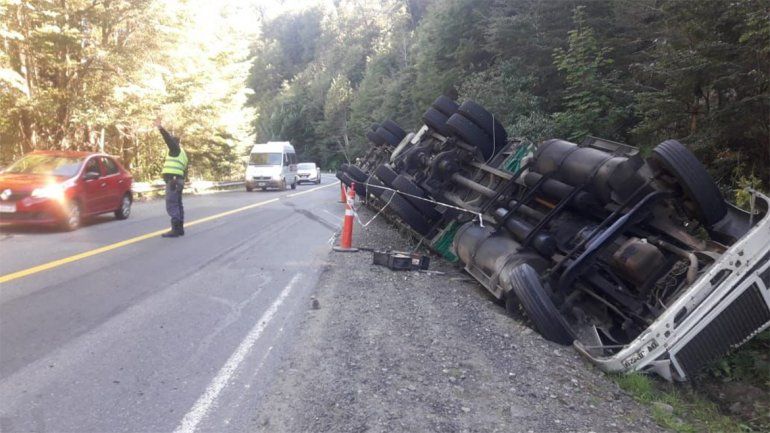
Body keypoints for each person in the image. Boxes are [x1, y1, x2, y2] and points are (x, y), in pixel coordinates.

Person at [154, 117, 189, 238]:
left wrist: (160, 128)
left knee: (172, 204)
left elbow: (167, 139)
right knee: (178, 204)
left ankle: (175, 229)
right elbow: (185, 169)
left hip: (173, 181)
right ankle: (180, 229)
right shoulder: (183, 153)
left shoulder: (175, 149)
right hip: (178, 180)